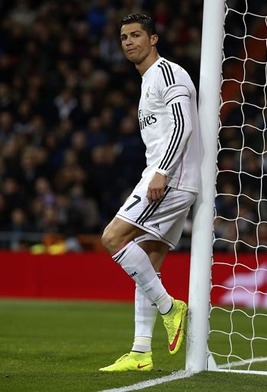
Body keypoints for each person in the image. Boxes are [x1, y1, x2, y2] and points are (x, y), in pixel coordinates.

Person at [99, 14, 202, 372]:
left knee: (113, 238)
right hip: (171, 177)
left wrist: (162, 172)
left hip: (169, 178)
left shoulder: (168, 73)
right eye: (124, 36)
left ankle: (170, 307)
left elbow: (184, 125)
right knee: (147, 264)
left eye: (136, 35)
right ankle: (141, 352)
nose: (128, 42)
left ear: (154, 38)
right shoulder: (146, 83)